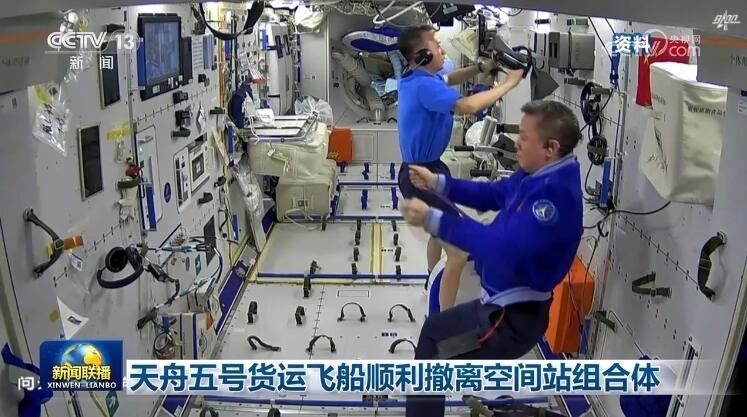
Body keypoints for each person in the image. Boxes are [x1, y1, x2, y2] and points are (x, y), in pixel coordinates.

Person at [400, 99, 585, 417]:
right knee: (433, 333)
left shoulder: (554, 200)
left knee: (434, 350)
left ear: (550, 148)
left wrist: (434, 219)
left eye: (524, 137)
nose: (517, 143)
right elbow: (495, 194)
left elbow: (499, 249)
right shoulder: (535, 175)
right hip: (496, 308)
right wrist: (440, 184)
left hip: (509, 321)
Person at [396, 24, 524, 310]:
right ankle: (444, 321)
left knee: (437, 231)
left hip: (429, 167)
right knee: (459, 251)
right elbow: (466, 107)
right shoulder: (423, 86)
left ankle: (431, 280)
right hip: (420, 175)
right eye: (436, 45)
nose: (442, 49)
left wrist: (480, 67)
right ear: (422, 56)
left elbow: (449, 78)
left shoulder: (419, 76)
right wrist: (509, 84)